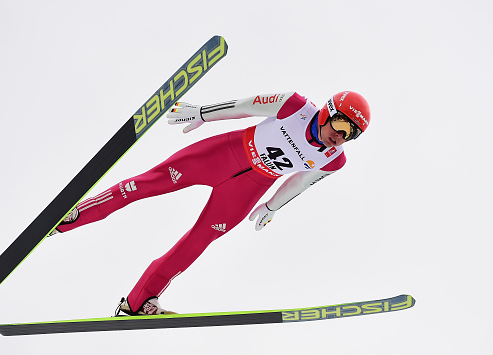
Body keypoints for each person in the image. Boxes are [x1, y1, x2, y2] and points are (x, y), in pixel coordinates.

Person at [50, 91, 371, 315]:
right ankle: (71, 217)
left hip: (248, 188)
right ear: (328, 111)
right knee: (147, 184)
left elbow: (301, 181)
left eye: (350, 135)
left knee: (198, 241)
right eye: (341, 126)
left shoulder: (333, 160)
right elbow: (246, 106)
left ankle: (139, 301)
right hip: (222, 154)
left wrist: (272, 206)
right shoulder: (295, 106)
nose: (341, 137)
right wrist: (203, 113)